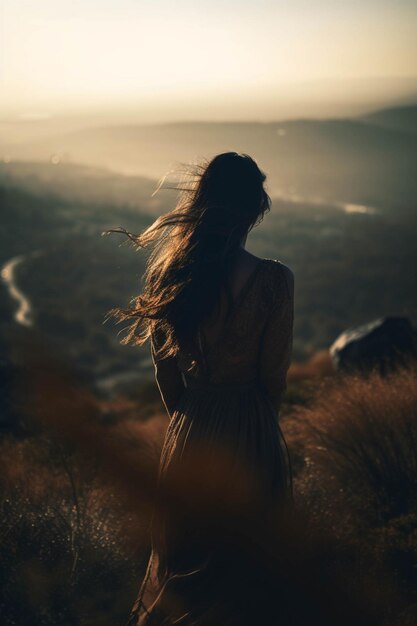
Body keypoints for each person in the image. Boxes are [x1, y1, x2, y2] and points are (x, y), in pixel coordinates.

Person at [107, 152, 294, 625]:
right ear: (253, 210)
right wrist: (258, 423)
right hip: (249, 425)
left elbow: (164, 373)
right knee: (246, 568)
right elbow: (274, 376)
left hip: (191, 426)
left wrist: (189, 417)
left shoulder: (170, 275)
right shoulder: (274, 281)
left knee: (186, 558)